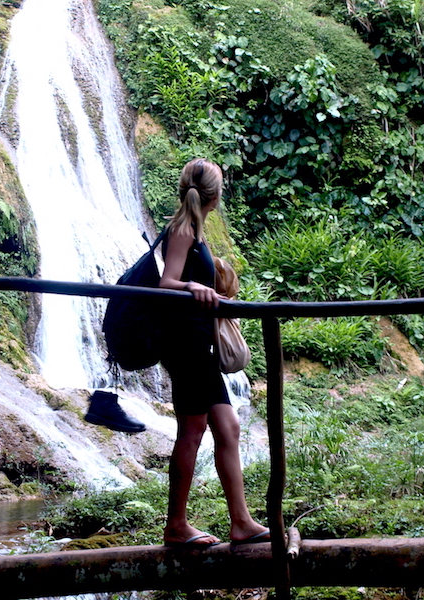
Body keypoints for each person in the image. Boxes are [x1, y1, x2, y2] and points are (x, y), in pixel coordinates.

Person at [159, 158, 269, 547]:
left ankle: (241, 522)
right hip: (185, 346)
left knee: (228, 427)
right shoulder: (183, 228)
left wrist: (209, 288)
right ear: (215, 194)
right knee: (191, 432)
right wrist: (192, 286)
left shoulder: (195, 229)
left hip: (200, 346)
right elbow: (166, 282)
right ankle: (176, 526)